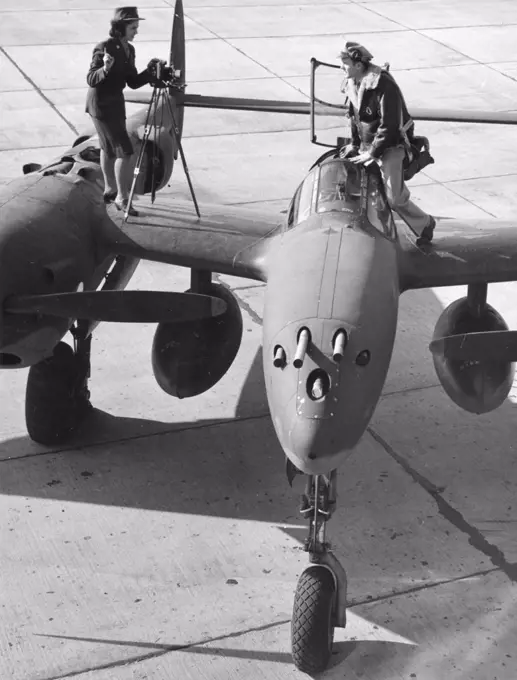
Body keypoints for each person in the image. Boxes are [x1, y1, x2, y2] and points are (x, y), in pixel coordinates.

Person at [338, 41, 436, 246]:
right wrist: (355, 145)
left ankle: (425, 224)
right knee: (362, 190)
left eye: (345, 63)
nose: (341, 67)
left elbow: (390, 126)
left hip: (391, 145)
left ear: (358, 65)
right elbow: (354, 119)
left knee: (395, 199)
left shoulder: (383, 85)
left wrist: (372, 152)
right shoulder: (351, 83)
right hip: (369, 146)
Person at [85, 7, 154, 216]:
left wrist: (150, 72)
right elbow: (91, 78)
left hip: (115, 104)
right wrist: (104, 69)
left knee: (108, 148)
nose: (136, 32)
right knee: (125, 151)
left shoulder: (129, 50)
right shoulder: (104, 47)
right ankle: (122, 198)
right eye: (133, 27)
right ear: (121, 27)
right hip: (101, 106)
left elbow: (132, 82)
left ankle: (110, 189)